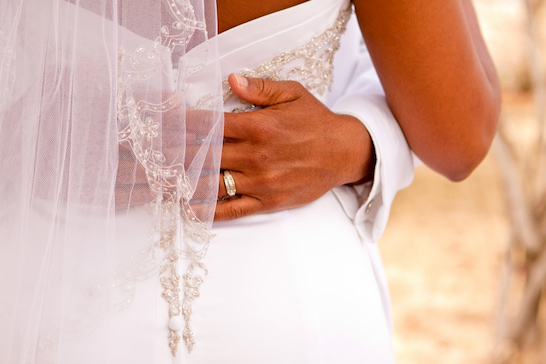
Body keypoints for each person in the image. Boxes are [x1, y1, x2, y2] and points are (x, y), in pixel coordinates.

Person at [0, 0, 499, 363]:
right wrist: (357, 139)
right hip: (290, 300)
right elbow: (459, 135)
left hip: (55, 289)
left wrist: (35, 129)